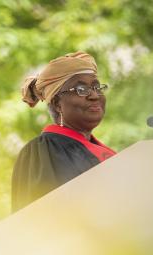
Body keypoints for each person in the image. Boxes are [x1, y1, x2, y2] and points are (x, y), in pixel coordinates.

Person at [12, 51, 116, 211]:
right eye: (81, 89)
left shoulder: (102, 150)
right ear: (57, 104)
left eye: (97, 87)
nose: (95, 95)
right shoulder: (41, 152)